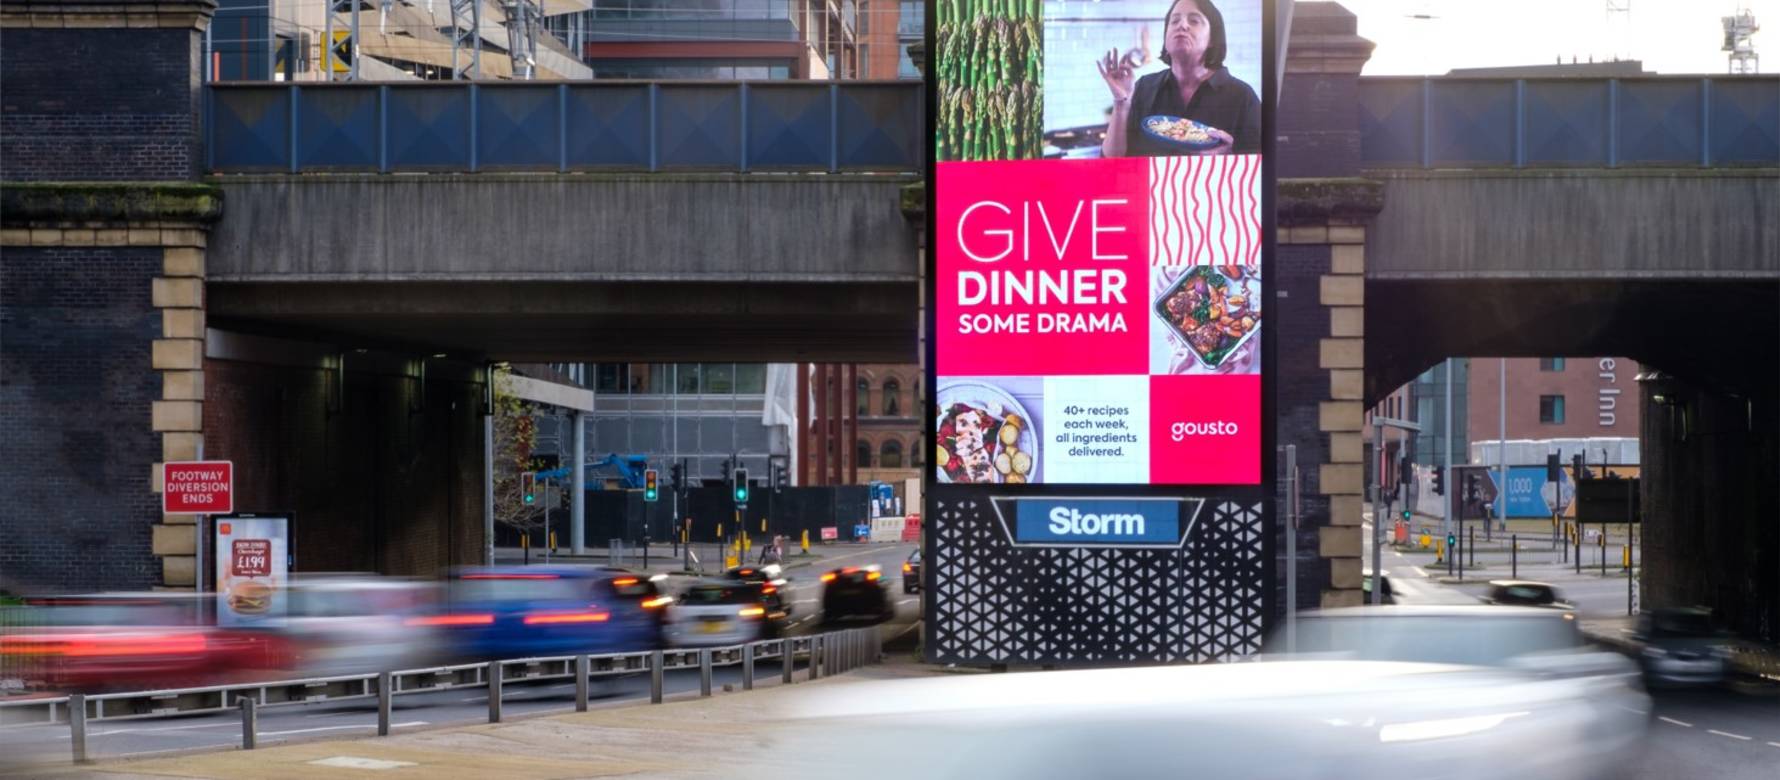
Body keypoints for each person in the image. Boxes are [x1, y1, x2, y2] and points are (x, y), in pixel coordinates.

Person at [1097, 0, 1261, 158]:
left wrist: (1230, 156)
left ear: (1212, 38)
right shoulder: (1143, 87)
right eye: (1174, 21)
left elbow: (1260, 169)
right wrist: (1121, 101)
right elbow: (1112, 160)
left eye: (1194, 21)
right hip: (1149, 187)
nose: (1182, 25)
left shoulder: (1242, 96)